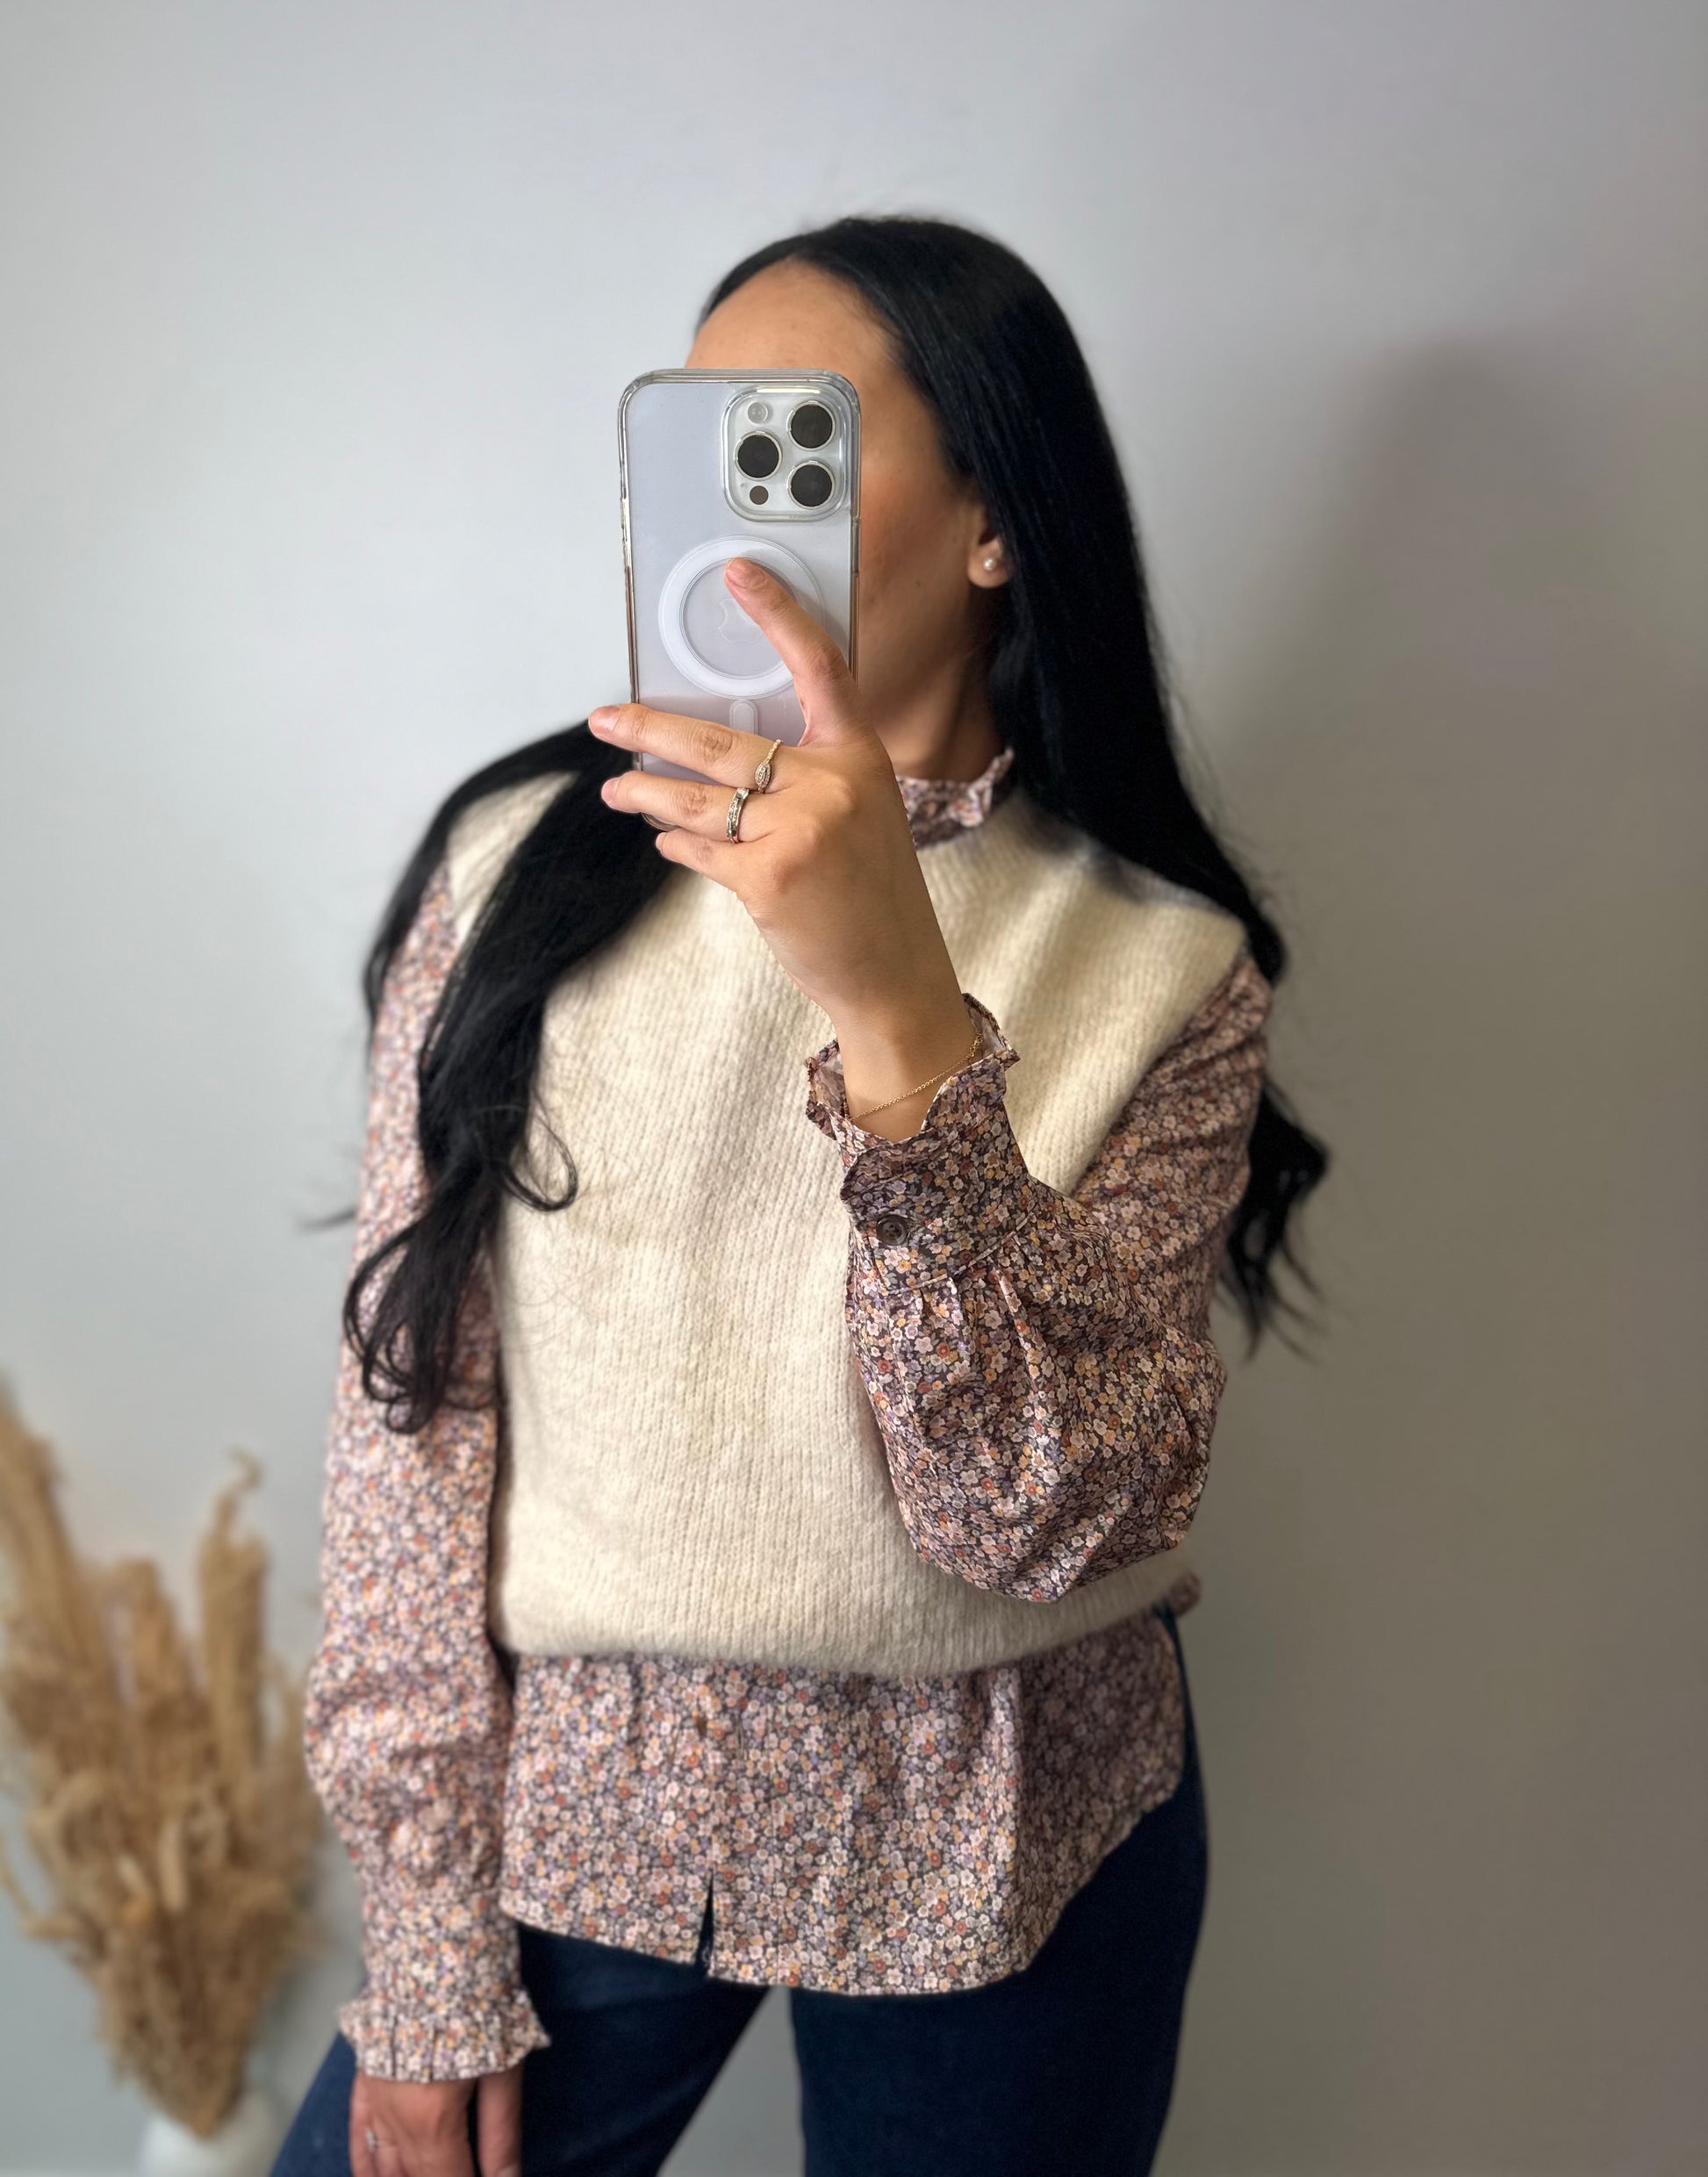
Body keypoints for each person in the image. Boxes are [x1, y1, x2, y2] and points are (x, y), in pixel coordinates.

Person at [273, 214, 1328, 2177]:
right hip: (590, 1790)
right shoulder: (518, 871)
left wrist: (899, 1012)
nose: (728, 514)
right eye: (695, 441)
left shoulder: (1164, 965)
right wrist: (424, 1944)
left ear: (995, 523)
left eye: (796, 443)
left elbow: (1038, 1514)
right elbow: (411, 1427)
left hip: (1027, 1808)